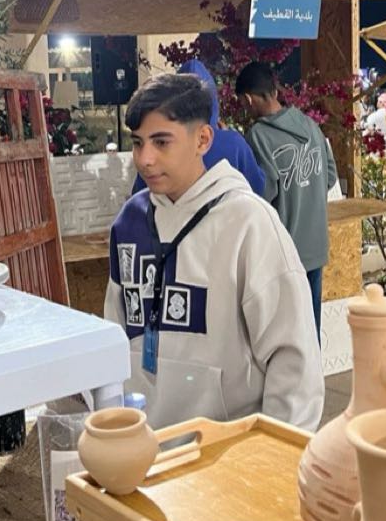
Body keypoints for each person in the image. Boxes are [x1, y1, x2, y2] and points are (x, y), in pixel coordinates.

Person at [105, 73, 323, 431]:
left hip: (228, 450)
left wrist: (277, 453)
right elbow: (115, 328)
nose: (145, 159)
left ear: (203, 139)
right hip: (143, 443)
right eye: (138, 143)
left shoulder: (249, 223)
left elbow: (294, 361)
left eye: (161, 142)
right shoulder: (129, 222)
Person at [234, 62, 337, 338]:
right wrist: (306, 193)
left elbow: (262, 195)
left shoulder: (258, 136)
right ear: (275, 91)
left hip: (285, 253)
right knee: (310, 334)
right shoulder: (310, 125)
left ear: (248, 99)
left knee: (286, 339)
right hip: (316, 246)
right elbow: (329, 176)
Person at [131, 59, 265, 196]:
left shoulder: (152, 155)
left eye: (161, 142)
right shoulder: (234, 144)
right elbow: (257, 188)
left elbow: (140, 195)